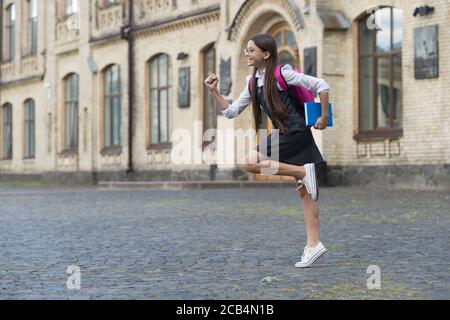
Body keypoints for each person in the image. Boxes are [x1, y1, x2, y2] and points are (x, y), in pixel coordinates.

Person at [204, 34, 330, 268]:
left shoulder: (283, 74)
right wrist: (214, 92)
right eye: (246, 50)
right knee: (306, 193)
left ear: (266, 54)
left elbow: (321, 85)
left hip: (294, 132)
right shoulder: (253, 83)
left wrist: (322, 117)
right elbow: (231, 112)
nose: (247, 54)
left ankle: (302, 173)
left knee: (250, 162)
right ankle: (314, 245)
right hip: (290, 133)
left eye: (251, 50)